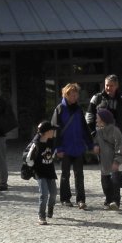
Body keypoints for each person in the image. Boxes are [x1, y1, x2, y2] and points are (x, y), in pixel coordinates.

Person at [50, 82, 97, 210]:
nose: (75, 97)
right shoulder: (59, 109)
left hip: (77, 147)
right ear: (66, 94)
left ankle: (81, 199)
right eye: (72, 94)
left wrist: (90, 144)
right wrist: (58, 148)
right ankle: (65, 198)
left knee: (79, 174)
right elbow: (55, 131)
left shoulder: (78, 110)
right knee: (65, 174)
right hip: (64, 148)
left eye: (76, 94)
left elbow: (84, 129)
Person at [94, 107, 122, 210]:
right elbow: (96, 141)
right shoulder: (98, 131)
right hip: (105, 162)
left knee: (116, 183)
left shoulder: (115, 131)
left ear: (103, 119)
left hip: (117, 162)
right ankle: (108, 200)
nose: (96, 120)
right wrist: (95, 146)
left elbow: (120, 147)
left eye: (97, 118)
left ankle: (115, 202)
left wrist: (117, 161)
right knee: (105, 184)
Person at [26, 120, 59, 225]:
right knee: (44, 194)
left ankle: (50, 208)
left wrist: (52, 158)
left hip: (50, 171)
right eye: (51, 130)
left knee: (53, 193)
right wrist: (34, 168)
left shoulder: (51, 141)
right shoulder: (36, 144)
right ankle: (41, 215)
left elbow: (53, 153)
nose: (53, 132)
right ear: (46, 132)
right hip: (40, 172)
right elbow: (28, 158)